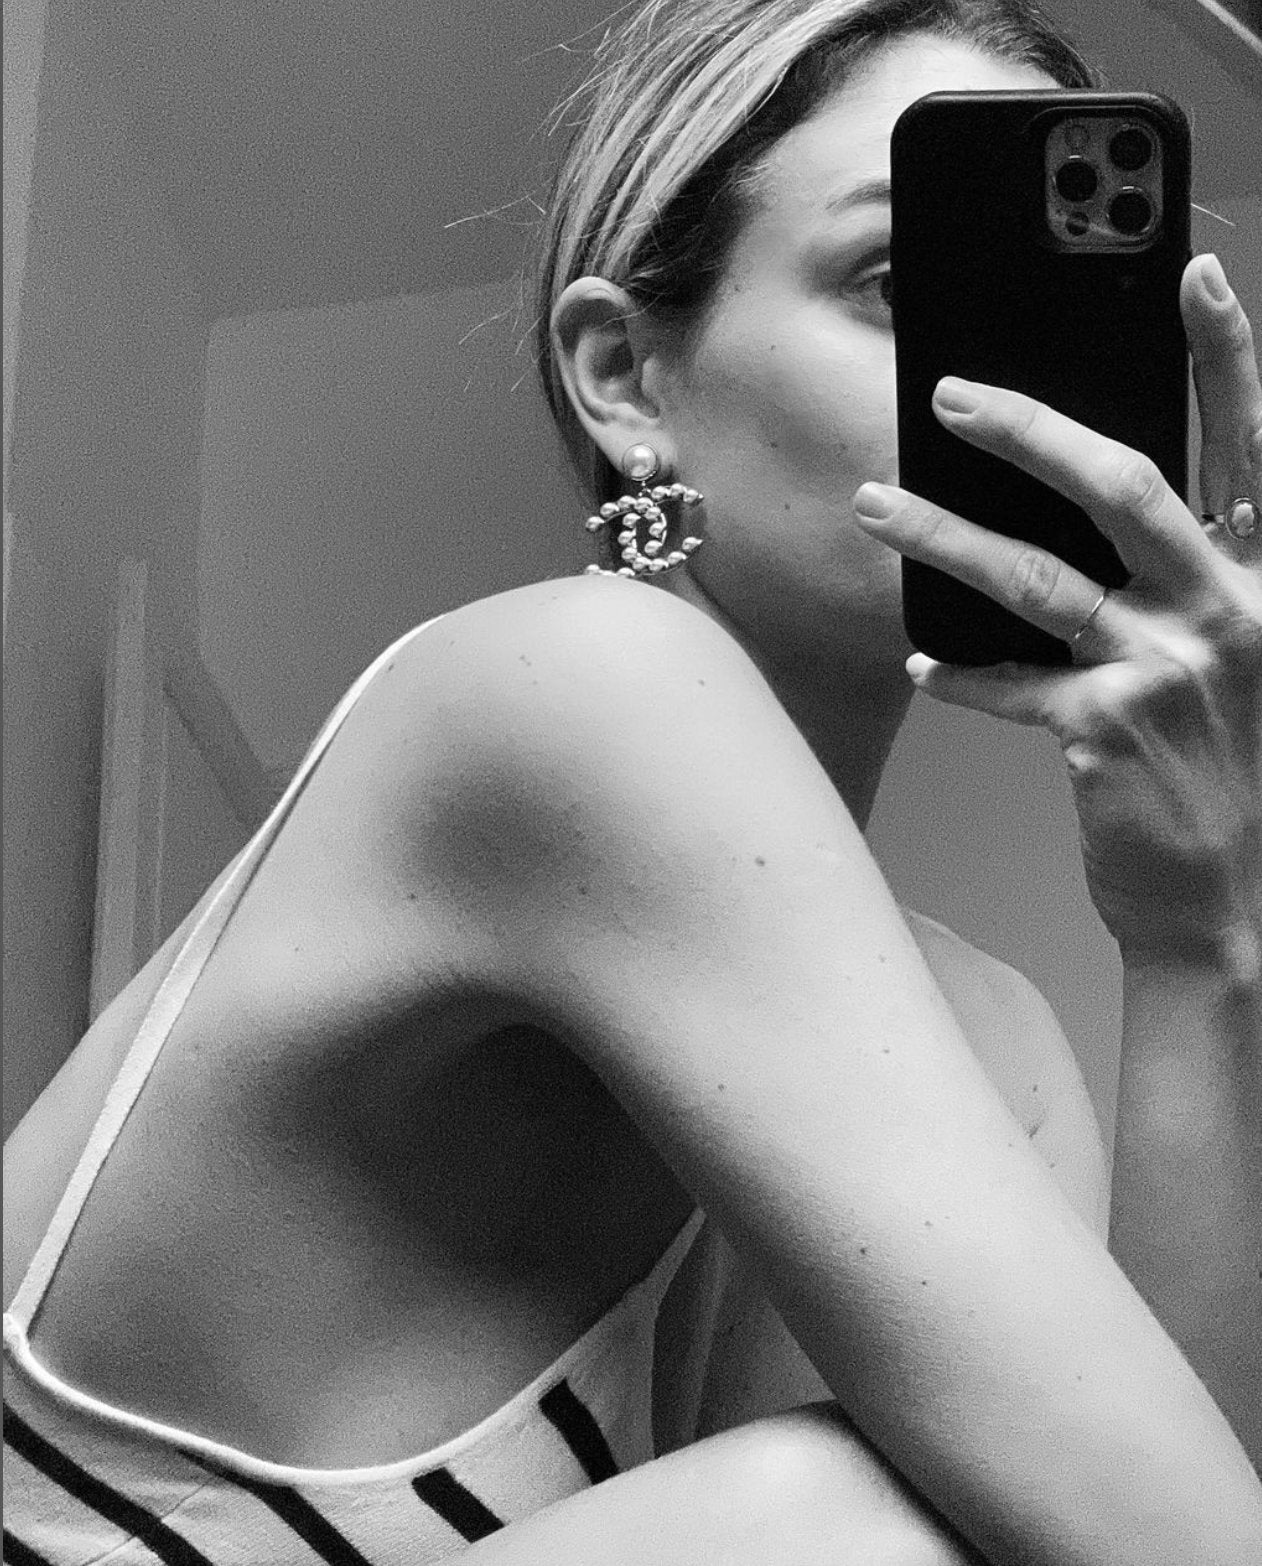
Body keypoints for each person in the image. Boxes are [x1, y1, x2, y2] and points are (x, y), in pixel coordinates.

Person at [4, 0, 1260, 1561]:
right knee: (851, 1520)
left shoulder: (989, 1040)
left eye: (1045, 308)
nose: (998, 392)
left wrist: (1199, 929)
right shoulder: (571, 688)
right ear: (625, 380)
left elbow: (1163, 1510)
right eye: (892, 283)